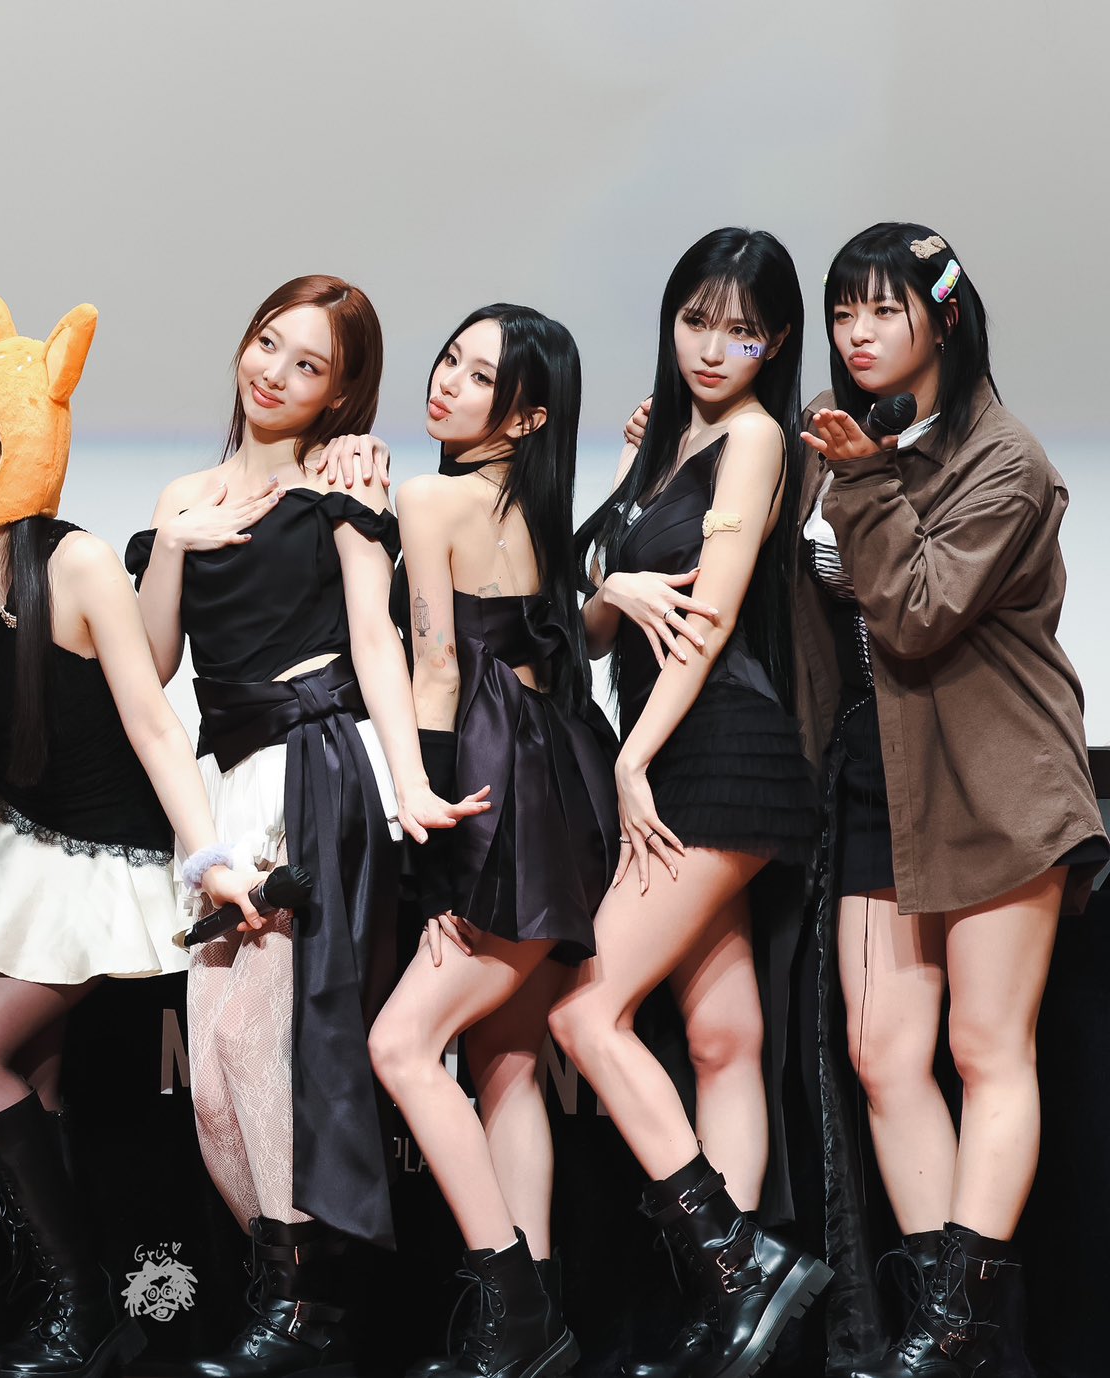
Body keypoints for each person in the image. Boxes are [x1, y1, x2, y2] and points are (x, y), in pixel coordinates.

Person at [0, 277, 265, 1378]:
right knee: (31, 1080)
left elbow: (154, 722)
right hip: (21, 839)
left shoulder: (75, 560)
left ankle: (83, 1310)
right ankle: (73, 1318)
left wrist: (210, 856)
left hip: (104, 855)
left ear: (16, 442)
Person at [128, 275, 486, 1378]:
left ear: (339, 393)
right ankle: (295, 1294)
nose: (274, 373)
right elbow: (151, 665)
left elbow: (378, 642)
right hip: (228, 784)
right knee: (214, 1076)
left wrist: (410, 781)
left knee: (264, 1043)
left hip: (320, 767)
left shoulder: (342, 484)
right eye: (267, 344)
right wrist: (173, 542)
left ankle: (302, 1309)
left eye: (308, 364)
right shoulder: (184, 495)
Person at [795, 223, 1106, 1378]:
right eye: (842, 311)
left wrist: (860, 481)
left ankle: (960, 1319)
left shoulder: (1003, 459)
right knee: (882, 1053)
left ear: (944, 318)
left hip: (995, 784)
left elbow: (919, 610)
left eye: (883, 308)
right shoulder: (841, 441)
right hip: (877, 778)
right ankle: (945, 1325)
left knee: (984, 1047)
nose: (857, 332)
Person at [550, 227, 828, 1378]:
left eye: (742, 331)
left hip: (717, 751)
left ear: (776, 342)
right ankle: (732, 1322)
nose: (713, 348)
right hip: (675, 751)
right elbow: (588, 626)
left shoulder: (755, 438)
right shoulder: (665, 442)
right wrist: (610, 576)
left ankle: (739, 1269)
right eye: (695, 321)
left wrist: (632, 760)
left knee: (584, 1011)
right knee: (720, 1037)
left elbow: (707, 621)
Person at [365, 304, 614, 1378]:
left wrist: (420, 822)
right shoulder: (539, 512)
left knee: (398, 1046)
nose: (446, 383)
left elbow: (434, 667)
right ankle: (535, 1324)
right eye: (450, 360)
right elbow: (556, 649)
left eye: (479, 377)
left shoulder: (430, 499)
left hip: (484, 790)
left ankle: (513, 1312)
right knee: (506, 1062)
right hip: (561, 781)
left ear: (526, 416)